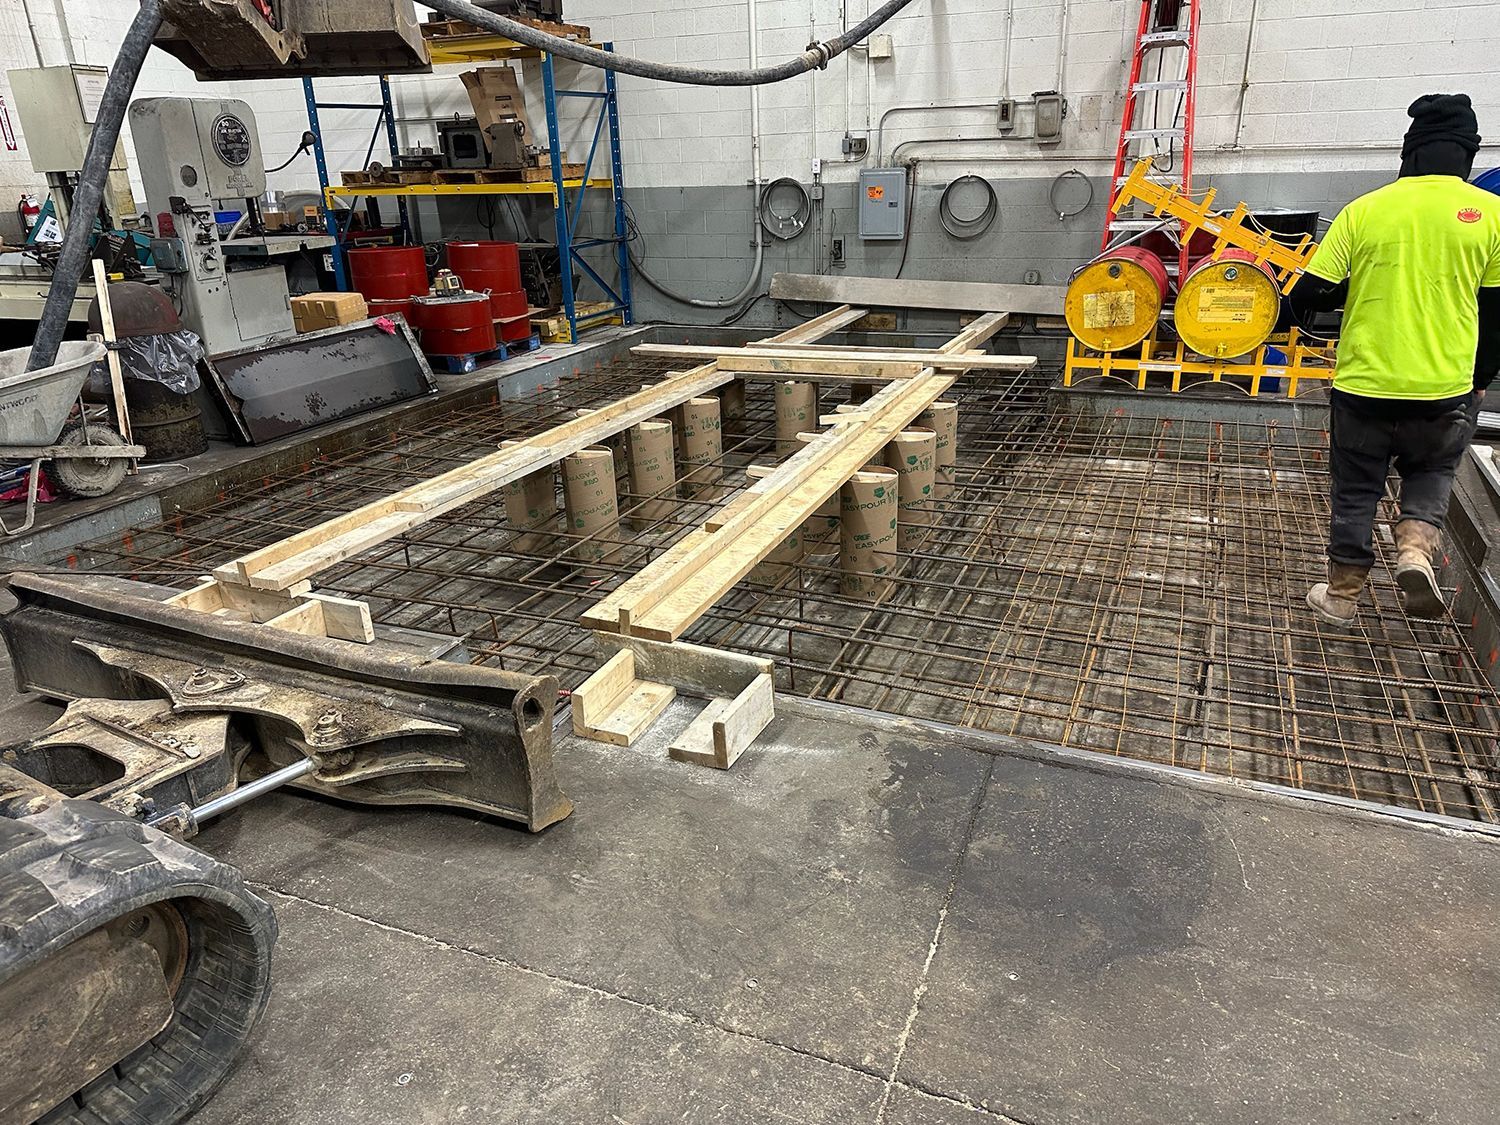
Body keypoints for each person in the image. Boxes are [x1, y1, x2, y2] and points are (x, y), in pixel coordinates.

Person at [1294, 93, 1500, 625]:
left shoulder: (1364, 210)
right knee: (1431, 473)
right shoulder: (1492, 216)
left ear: (1409, 152)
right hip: (1444, 386)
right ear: (1467, 155)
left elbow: (1308, 296)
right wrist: (1480, 380)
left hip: (1365, 384)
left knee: (1357, 489)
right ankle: (1414, 551)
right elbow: (1499, 312)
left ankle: (1342, 596)